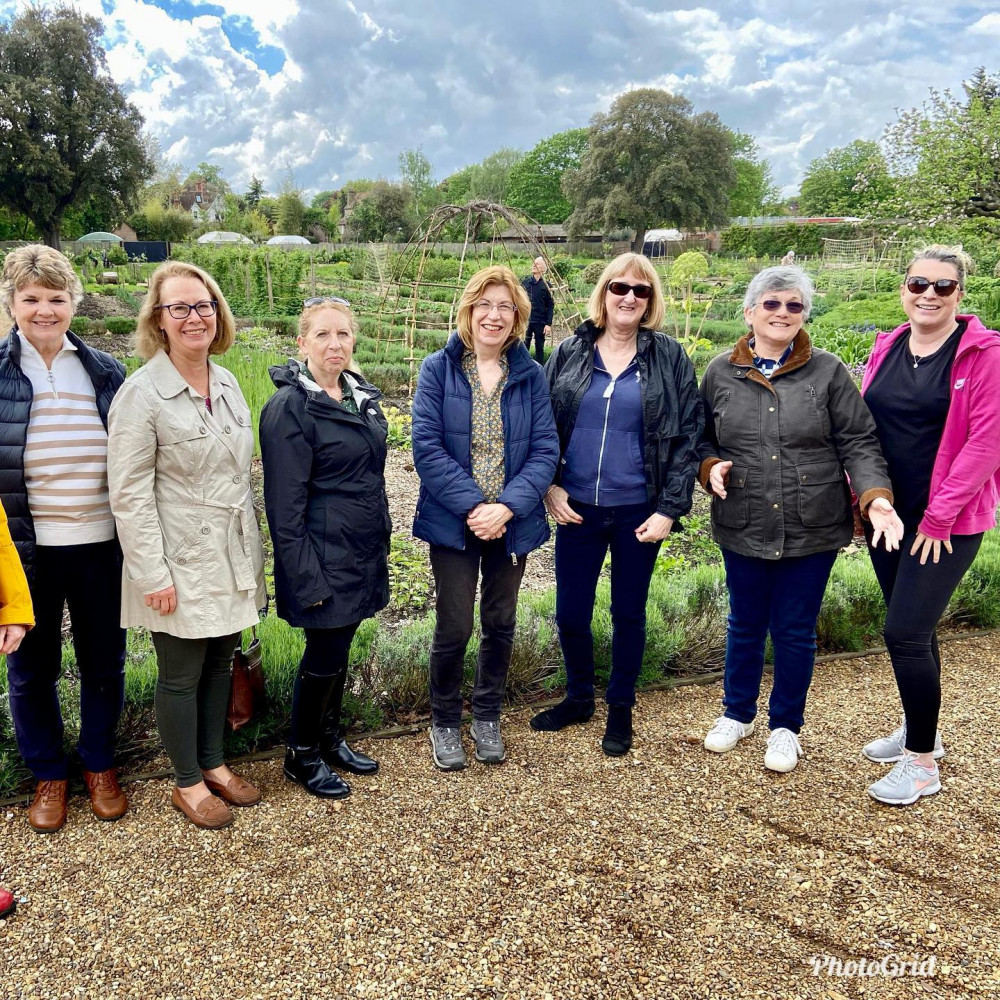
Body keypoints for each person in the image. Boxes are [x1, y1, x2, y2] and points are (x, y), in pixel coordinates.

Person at [698, 265, 903, 773]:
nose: (782, 313)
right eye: (771, 304)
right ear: (750, 313)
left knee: (794, 629)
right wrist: (708, 467)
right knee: (744, 622)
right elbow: (698, 438)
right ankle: (737, 712)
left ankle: (785, 726)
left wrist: (875, 497)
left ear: (803, 314)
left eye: (793, 305)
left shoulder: (828, 371)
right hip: (743, 518)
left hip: (813, 521)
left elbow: (858, 439)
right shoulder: (720, 371)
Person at [107, 261, 266, 830]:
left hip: (227, 550)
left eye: (203, 305)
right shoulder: (142, 393)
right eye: (180, 308)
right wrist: (153, 573)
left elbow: (235, 475)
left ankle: (215, 763)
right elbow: (128, 494)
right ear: (160, 319)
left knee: (221, 663)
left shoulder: (223, 381)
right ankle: (187, 781)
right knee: (182, 671)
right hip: (176, 556)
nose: (195, 317)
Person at [531, 252, 703, 755]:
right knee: (571, 613)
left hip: (638, 510)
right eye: (619, 288)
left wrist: (669, 508)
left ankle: (621, 706)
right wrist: (549, 487)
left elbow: (690, 434)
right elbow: (541, 428)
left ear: (650, 302)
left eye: (641, 291)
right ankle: (579, 697)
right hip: (576, 506)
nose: (629, 298)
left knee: (629, 611)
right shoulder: (568, 351)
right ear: (603, 293)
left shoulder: (668, 358)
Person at [860, 245, 1000, 805]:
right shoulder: (888, 345)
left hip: (946, 521)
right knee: (913, 629)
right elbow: (866, 428)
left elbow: (987, 442)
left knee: (904, 632)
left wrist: (939, 518)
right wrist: (869, 501)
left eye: (942, 287)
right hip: (889, 516)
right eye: (919, 284)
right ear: (904, 289)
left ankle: (921, 764)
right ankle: (923, 731)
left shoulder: (982, 354)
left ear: (959, 294)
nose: (928, 295)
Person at [0, 245, 127, 834]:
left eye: (56, 298)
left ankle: (100, 765)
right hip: (28, 552)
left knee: (104, 662)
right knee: (32, 669)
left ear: (72, 302)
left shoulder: (103, 370)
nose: (45, 310)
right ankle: (49, 774)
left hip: (103, 544)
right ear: (12, 304)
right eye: (31, 299)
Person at [412, 265, 559, 770]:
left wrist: (506, 508)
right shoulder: (439, 369)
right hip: (455, 522)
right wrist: (477, 507)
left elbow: (544, 450)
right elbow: (426, 448)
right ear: (468, 311)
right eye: (484, 304)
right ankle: (445, 721)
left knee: (499, 621)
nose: (493, 315)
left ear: (518, 316)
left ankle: (488, 716)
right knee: (453, 625)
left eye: (504, 307)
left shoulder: (530, 374)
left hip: (510, 522)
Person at [259, 296, 389, 799]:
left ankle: (330, 738)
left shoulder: (357, 396)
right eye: (323, 335)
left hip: (359, 549)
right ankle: (301, 753)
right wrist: (305, 576)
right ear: (303, 342)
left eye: (343, 335)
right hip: (321, 556)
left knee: (340, 649)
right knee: (323, 653)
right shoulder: (291, 408)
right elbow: (283, 509)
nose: (335, 344)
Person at [521, 256, 554, 364]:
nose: (534, 265)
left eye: (537, 264)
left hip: (541, 321)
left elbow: (550, 305)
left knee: (540, 346)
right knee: (524, 345)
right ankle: (524, 366)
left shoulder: (547, 285)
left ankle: (540, 369)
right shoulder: (525, 283)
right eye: (533, 263)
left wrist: (548, 324)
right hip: (527, 320)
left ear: (543, 269)